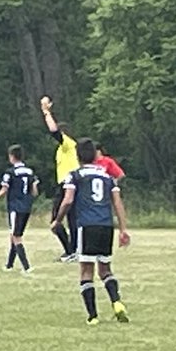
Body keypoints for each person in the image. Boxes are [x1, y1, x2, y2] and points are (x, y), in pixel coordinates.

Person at [52, 138, 130, 325]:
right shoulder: (107, 177)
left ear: (78, 156)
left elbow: (68, 200)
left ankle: (93, 316)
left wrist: (58, 220)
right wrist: (123, 229)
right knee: (105, 269)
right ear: (96, 155)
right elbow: (117, 203)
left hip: (87, 226)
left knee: (86, 271)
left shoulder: (75, 176)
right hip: (106, 226)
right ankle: (116, 301)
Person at [0, 144, 39, 273]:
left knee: (16, 237)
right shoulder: (30, 172)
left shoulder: (10, 172)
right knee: (14, 235)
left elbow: (4, 190)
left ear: (11, 157)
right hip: (27, 207)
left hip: (15, 207)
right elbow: (35, 191)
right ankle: (9, 265)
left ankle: (27, 267)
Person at [41, 96, 80, 261]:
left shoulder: (68, 144)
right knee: (69, 220)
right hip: (66, 184)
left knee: (58, 221)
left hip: (68, 184)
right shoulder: (63, 149)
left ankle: (72, 251)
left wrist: (46, 112)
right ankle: (72, 251)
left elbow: (53, 131)